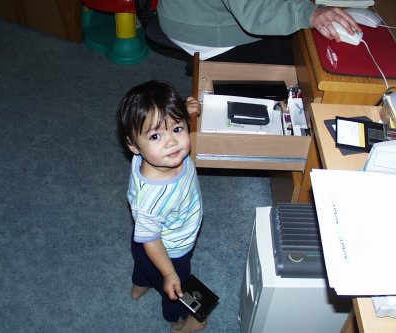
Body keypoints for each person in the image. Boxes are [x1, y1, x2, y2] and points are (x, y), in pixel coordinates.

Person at [117, 80, 205, 333]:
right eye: (156, 136)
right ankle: (180, 321)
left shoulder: (148, 154)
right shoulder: (152, 198)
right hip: (170, 248)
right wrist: (168, 274)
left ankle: (140, 284)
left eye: (177, 129)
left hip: (147, 234)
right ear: (133, 145)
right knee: (176, 289)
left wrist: (184, 109)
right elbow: (152, 242)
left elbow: (167, 125)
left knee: (141, 259)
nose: (171, 142)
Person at [157, 0, 361, 64]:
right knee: (302, 59)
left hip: (193, 11)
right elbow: (255, 13)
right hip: (202, 26)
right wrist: (308, 13)